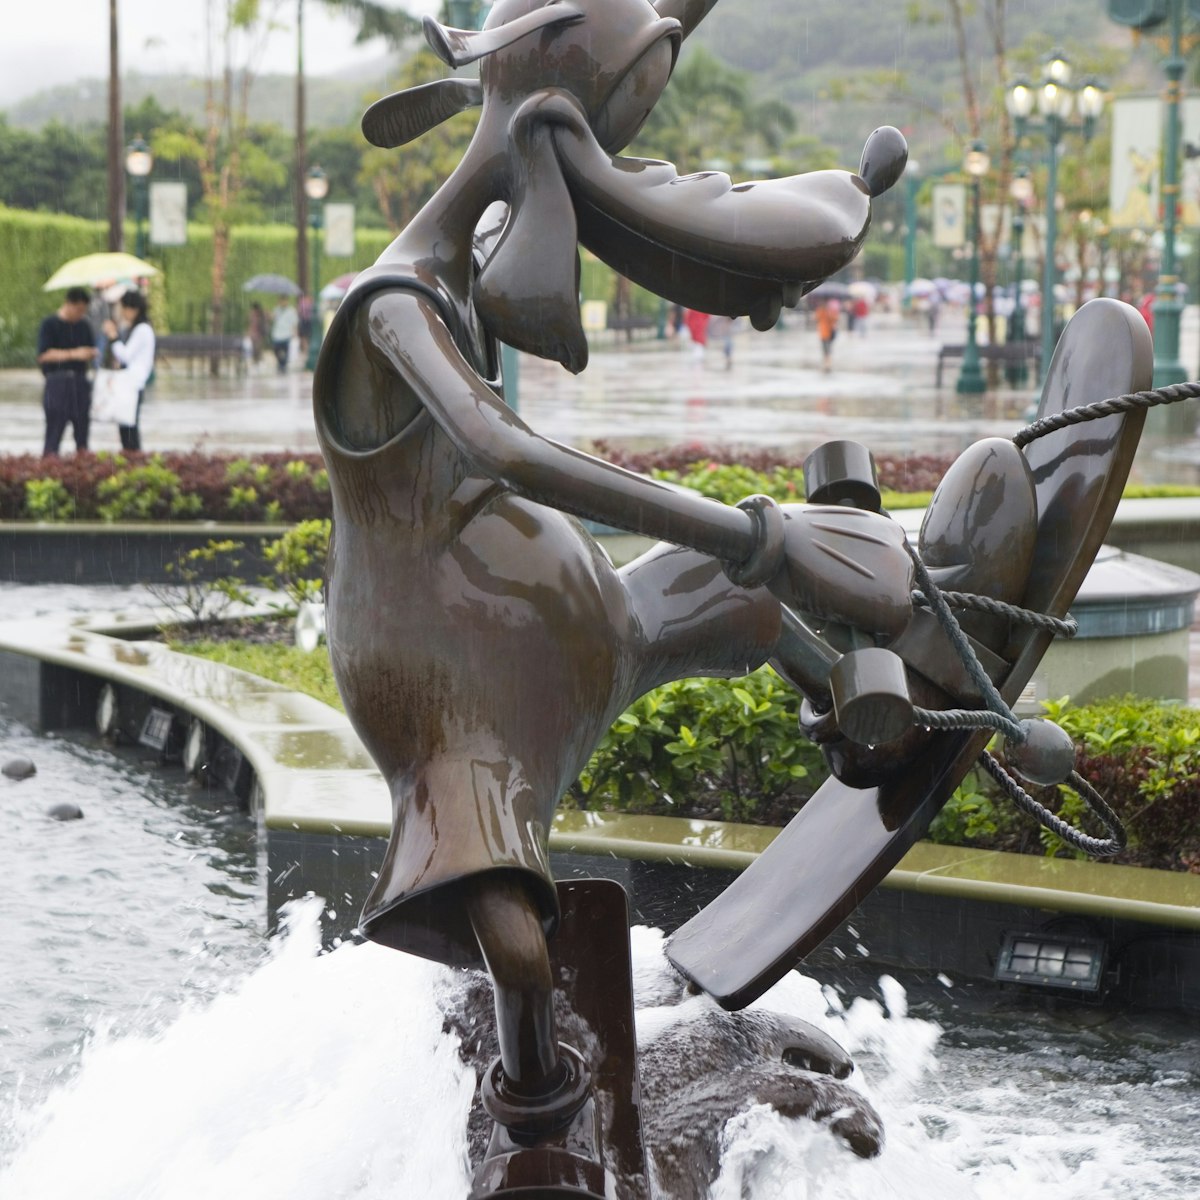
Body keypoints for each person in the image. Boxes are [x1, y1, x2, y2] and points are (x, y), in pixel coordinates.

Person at [37, 286, 97, 456]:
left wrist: (90, 353)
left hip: (80, 382)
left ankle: (82, 471)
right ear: (68, 304)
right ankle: (49, 470)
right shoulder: (49, 324)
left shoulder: (84, 325)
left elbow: (91, 350)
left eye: (83, 311)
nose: (80, 314)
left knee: (82, 434)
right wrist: (73, 354)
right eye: (78, 309)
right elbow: (44, 355)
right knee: (53, 433)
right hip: (57, 382)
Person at [103, 290, 156, 451]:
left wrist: (113, 336)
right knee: (126, 426)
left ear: (133, 309)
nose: (122, 313)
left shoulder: (142, 329)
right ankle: (132, 458)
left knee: (129, 428)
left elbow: (125, 355)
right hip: (130, 383)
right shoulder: (137, 329)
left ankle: (133, 458)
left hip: (132, 384)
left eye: (124, 308)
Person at [270, 297, 299, 372]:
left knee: (286, 351)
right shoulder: (276, 310)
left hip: (287, 334)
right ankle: (280, 362)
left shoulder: (291, 310)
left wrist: (295, 332)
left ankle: (283, 365)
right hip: (277, 334)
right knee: (276, 349)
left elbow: (294, 322)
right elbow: (272, 319)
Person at [815, 298, 839, 371]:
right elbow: (835, 319)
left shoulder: (823, 311)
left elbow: (816, 318)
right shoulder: (824, 311)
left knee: (826, 349)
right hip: (826, 333)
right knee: (827, 349)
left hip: (826, 333)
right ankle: (827, 362)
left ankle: (827, 362)